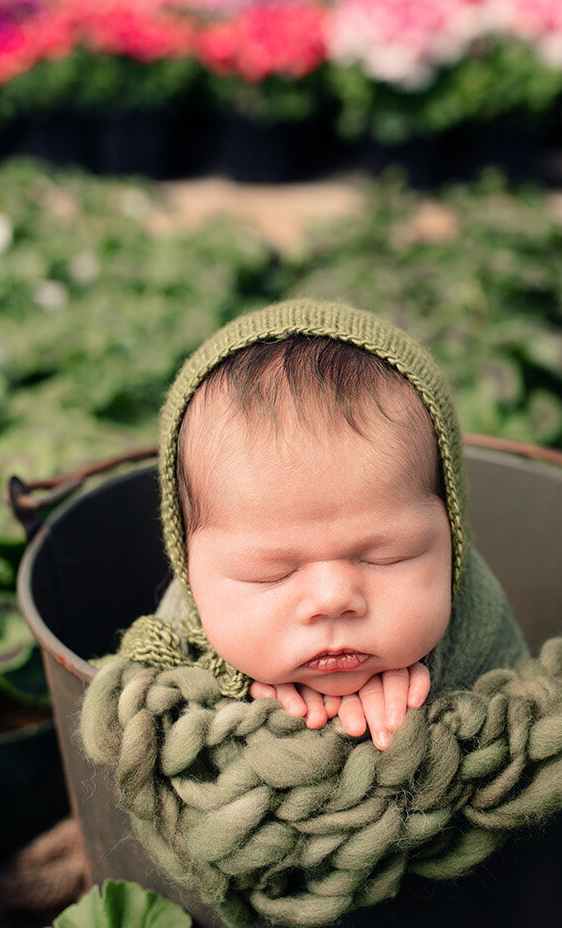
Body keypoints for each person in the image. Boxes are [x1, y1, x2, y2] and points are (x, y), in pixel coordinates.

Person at [151, 298, 527, 748]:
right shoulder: (179, 623)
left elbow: (525, 713)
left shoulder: (475, 610)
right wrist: (236, 685)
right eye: (271, 572)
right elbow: (145, 708)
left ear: (452, 536)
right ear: (189, 566)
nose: (333, 600)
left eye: (387, 557)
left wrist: (432, 706)